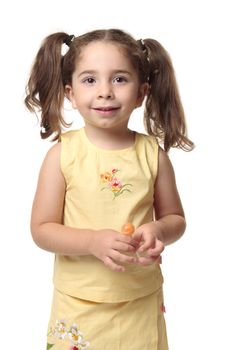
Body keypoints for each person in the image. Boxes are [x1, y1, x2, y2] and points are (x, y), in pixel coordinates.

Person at [25, 28, 194, 350]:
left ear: (142, 92)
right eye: (90, 80)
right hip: (80, 301)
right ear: (70, 93)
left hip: (139, 299)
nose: (105, 92)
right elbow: (42, 230)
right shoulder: (63, 154)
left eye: (119, 79)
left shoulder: (151, 154)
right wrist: (92, 240)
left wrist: (158, 228)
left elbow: (175, 218)